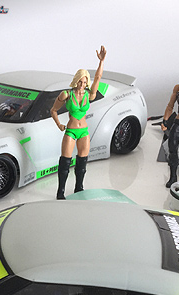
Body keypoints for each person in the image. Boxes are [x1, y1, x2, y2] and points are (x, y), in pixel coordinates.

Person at [50, 46, 106, 200]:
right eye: (80, 81)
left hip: (84, 131)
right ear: (76, 81)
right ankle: (60, 191)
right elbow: (53, 110)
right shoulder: (66, 94)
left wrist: (101, 62)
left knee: (82, 163)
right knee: (65, 163)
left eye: (84, 82)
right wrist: (59, 124)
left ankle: (79, 188)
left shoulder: (89, 95)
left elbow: (98, 78)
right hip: (71, 130)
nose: (82, 84)